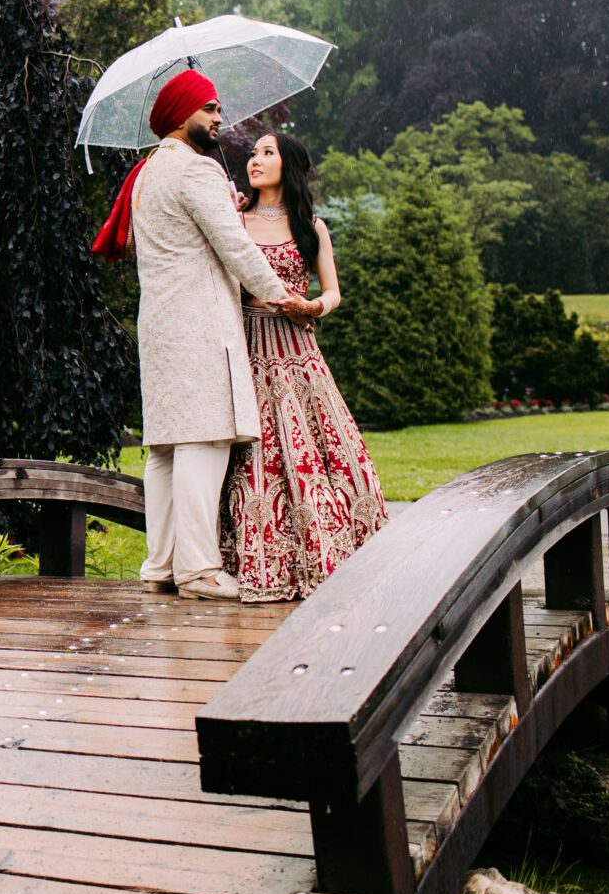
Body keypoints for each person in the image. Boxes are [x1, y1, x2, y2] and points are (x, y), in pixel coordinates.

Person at [91, 70, 315, 600]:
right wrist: (285, 298)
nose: (219, 118)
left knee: (167, 449)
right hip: (201, 326)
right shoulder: (197, 171)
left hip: (161, 327)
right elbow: (237, 249)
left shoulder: (147, 173)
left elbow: (177, 239)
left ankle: (160, 565)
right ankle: (198, 570)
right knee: (205, 440)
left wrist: (223, 209)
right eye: (209, 108)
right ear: (180, 113)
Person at [222, 130, 389, 603]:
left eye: (267, 153)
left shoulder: (310, 226)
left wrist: (314, 306)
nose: (254, 160)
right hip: (247, 346)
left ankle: (331, 552)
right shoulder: (234, 220)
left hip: (298, 350)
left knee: (321, 449)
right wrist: (225, 209)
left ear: (288, 165)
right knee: (254, 457)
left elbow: (333, 291)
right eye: (252, 153)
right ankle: (254, 561)